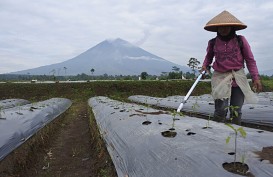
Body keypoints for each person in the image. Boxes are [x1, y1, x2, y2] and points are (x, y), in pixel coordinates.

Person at [201, 10, 262, 125]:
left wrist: (255, 77)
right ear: (217, 29)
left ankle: (235, 136)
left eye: (226, 27)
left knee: (236, 110)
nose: (223, 29)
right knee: (220, 110)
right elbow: (208, 57)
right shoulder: (213, 42)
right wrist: (204, 67)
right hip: (220, 77)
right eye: (221, 27)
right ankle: (218, 134)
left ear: (232, 27)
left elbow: (250, 59)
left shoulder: (240, 40)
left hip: (238, 78)